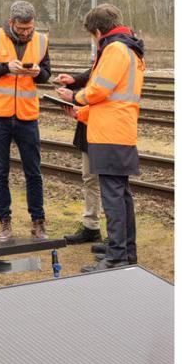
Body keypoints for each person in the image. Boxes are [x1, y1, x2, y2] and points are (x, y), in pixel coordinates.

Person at [55, 4, 144, 271]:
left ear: (96, 30)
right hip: (117, 127)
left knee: (113, 195)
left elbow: (100, 89)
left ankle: (117, 256)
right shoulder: (129, 47)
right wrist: (81, 113)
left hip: (110, 133)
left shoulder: (116, 49)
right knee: (121, 194)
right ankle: (126, 251)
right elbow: (113, 97)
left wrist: (76, 97)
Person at [0, 1, 52, 241]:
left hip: (27, 116)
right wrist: (6, 67)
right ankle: (4, 222)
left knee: (34, 173)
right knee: (0, 172)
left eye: (29, 29)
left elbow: (47, 74)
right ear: (11, 23)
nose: (26, 33)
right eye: (21, 29)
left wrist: (39, 73)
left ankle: (38, 222)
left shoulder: (41, 41)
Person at [54, 51, 104, 245]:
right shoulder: (107, 49)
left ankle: (117, 237)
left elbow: (102, 94)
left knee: (108, 183)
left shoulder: (117, 51)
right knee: (90, 179)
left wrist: (75, 97)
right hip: (90, 127)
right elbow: (92, 74)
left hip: (104, 129)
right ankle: (92, 227)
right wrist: (74, 80)